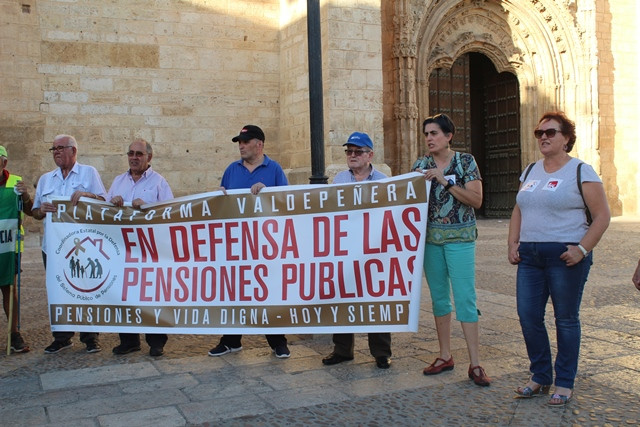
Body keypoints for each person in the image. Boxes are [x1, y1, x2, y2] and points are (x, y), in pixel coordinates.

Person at [508, 111, 610, 406]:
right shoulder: (529, 171)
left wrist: (582, 249)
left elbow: (602, 215)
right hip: (530, 255)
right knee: (528, 317)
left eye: (550, 132)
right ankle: (540, 375)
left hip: (565, 256)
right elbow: (518, 208)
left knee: (565, 319)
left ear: (566, 138)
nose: (543, 137)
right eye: (539, 133)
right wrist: (512, 242)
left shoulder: (581, 171)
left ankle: (564, 381)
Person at [415, 113, 490, 386]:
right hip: (431, 241)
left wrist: (444, 180)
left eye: (434, 133)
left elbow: (476, 200)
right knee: (439, 299)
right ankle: (445, 355)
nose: (429, 139)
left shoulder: (465, 161)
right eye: (426, 134)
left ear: (448, 136)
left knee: (465, 298)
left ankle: (476, 362)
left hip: (460, 239)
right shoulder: (420, 165)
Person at [208, 125, 291, 359]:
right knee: (234, 293)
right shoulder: (231, 170)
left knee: (268, 293)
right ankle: (230, 340)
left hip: (265, 245)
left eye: (245, 141)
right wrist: (219, 197)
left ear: (259, 144)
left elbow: (286, 203)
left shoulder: (273, 169)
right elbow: (222, 201)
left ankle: (278, 341)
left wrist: (268, 192)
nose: (241, 146)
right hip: (236, 244)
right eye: (239, 142)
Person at [321, 132, 392, 369]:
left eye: (357, 151)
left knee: (376, 298)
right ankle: (342, 350)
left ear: (370, 155)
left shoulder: (383, 180)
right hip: (346, 249)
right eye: (348, 151)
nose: (352, 156)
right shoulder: (340, 179)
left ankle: (381, 352)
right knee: (342, 297)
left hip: (375, 250)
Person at [31, 134, 107, 354]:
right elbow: (35, 212)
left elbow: (104, 202)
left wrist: (87, 195)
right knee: (58, 290)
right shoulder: (46, 179)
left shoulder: (88, 173)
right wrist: (40, 211)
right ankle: (62, 336)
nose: (56, 152)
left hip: (83, 246)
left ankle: (90, 336)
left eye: (60, 148)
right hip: (53, 248)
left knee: (86, 289)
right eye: (53, 149)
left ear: (73, 151)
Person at [107, 138, 173, 357]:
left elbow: (169, 213)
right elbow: (104, 213)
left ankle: (156, 342)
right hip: (122, 250)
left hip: (149, 250)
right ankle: (129, 340)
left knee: (152, 296)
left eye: (139, 154)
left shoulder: (159, 182)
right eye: (131, 153)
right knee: (124, 295)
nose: (134, 157)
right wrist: (112, 202)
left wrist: (148, 208)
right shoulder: (118, 181)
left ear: (149, 158)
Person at [0, 145, 33, 353]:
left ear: (4, 162)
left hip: (9, 247)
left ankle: (14, 334)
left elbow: (31, 211)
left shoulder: (15, 183)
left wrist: (26, 196)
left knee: (9, 289)